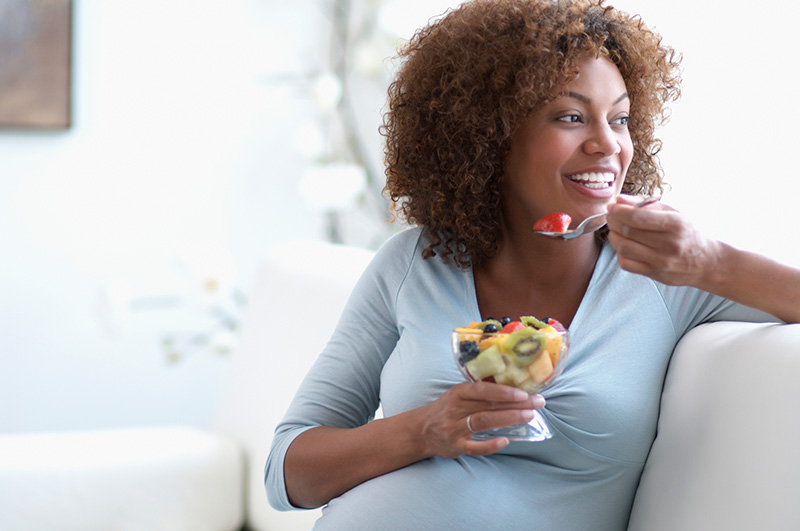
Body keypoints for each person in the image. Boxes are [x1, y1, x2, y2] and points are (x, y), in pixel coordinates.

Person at [265, 0, 800, 529]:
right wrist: (423, 429)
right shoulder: (413, 264)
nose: (607, 144)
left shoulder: (665, 276)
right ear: (490, 135)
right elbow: (288, 473)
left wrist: (711, 261)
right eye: (570, 117)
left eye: (620, 119)